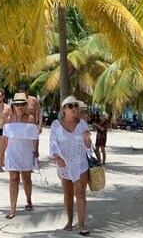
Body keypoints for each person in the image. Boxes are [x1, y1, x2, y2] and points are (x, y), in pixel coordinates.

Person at [49, 95, 92, 235]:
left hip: (80, 163)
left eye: (75, 106)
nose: (74, 109)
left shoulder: (83, 124)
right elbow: (52, 143)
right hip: (64, 163)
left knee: (80, 193)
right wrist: (56, 157)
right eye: (71, 106)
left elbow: (88, 146)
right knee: (68, 194)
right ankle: (69, 222)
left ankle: (82, 225)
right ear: (64, 108)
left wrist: (87, 139)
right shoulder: (56, 125)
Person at [2, 93, 39, 219]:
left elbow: (35, 137)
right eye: (17, 104)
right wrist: (1, 154)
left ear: (26, 105)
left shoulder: (31, 118)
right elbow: (5, 139)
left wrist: (36, 151)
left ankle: (29, 201)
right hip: (12, 151)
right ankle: (13, 209)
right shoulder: (8, 119)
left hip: (26, 151)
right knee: (13, 178)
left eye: (22, 104)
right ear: (13, 105)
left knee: (26, 179)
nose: (19, 106)